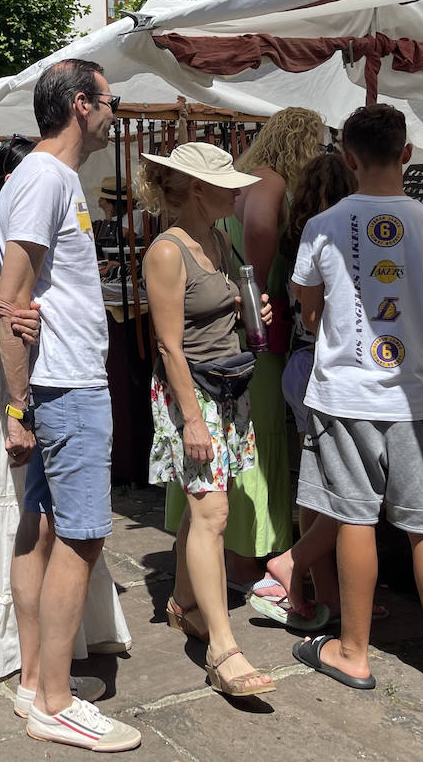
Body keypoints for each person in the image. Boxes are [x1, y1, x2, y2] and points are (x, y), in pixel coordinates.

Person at [289, 104, 423, 692]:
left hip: (344, 394)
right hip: (415, 396)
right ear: (408, 153)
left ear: (347, 158)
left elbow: (309, 308)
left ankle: (353, 651)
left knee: (353, 518)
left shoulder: (322, 226)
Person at [0, 58, 142, 751]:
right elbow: (8, 299)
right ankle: (53, 700)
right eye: (110, 100)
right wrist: (17, 405)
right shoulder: (47, 176)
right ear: (82, 104)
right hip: (67, 384)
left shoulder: (47, 178)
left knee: (47, 525)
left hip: (61, 379)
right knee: (81, 534)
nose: (115, 111)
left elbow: (28, 293)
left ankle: (36, 682)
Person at [0, 136, 133, 689]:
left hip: (24, 367)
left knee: (35, 516)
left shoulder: (26, 229)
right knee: (14, 510)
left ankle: (41, 662)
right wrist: (28, 318)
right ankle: (24, 659)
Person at [167, 107, 324, 593]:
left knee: (242, 439)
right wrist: (259, 304)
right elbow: (257, 247)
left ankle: (231, 558)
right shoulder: (270, 182)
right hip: (258, 333)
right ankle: (247, 558)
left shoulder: (244, 180)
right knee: (259, 438)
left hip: (242, 328)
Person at [141, 142, 275, 699]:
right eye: (227, 183)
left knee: (205, 508)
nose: (238, 190)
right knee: (212, 512)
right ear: (198, 188)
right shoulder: (167, 252)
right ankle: (222, 647)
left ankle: (186, 602)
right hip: (189, 395)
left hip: (227, 386)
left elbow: (219, 314)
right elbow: (170, 346)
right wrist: (192, 420)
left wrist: (252, 312)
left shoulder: (219, 240)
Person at [249, 152, 358, 628]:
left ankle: (323, 592)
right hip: (328, 370)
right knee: (346, 490)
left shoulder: (298, 238)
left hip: (296, 364)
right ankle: (307, 573)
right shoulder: (345, 239)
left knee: (312, 488)